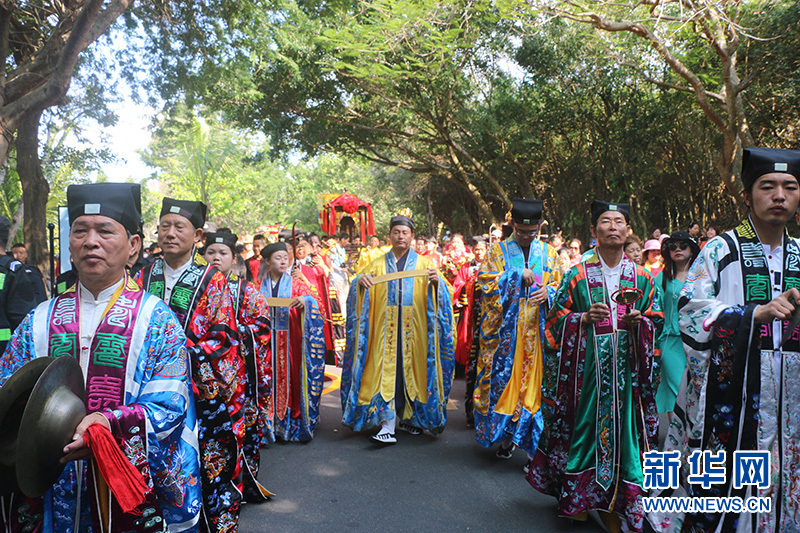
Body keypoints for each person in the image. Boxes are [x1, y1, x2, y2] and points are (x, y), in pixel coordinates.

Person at [1, 183, 201, 531]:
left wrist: (110, 426)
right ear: (70, 244)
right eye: (80, 231)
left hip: (122, 489)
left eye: (105, 230)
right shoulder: (40, 319)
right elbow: (8, 392)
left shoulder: (157, 321)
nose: (90, 241)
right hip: (48, 485)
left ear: (134, 245)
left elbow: (170, 404)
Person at [648, 148, 800, 532]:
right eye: (767, 186)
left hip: (792, 399)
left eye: (790, 187)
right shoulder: (720, 250)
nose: (779, 195)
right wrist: (753, 314)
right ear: (747, 196)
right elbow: (689, 308)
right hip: (731, 393)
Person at [528, 200, 662, 533]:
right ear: (593, 231)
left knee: (623, 436)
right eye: (605, 221)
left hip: (627, 376)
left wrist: (640, 322)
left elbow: (657, 320)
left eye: (619, 222)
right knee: (584, 429)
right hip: (586, 376)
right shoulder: (576, 273)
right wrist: (582, 318)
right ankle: (580, 498)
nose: (613, 227)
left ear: (628, 230)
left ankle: (616, 501)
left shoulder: (642, 277)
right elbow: (555, 321)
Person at [136, 198, 246, 533]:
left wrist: (184, 353)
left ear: (197, 234)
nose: (170, 234)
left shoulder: (211, 278)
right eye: (164, 226)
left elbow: (223, 336)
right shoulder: (143, 273)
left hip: (195, 387)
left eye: (179, 227)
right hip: (148, 386)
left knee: (193, 460)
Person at [341, 214, 455, 444]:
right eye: (396, 232)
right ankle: (387, 423)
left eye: (405, 233)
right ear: (389, 236)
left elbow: (446, 293)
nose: (400, 236)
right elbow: (358, 284)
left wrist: (437, 283)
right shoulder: (377, 264)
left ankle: (412, 419)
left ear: (412, 237)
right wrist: (360, 282)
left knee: (415, 372)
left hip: (416, 331)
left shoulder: (425, 264)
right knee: (387, 374)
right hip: (386, 332)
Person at [474, 199, 562, 466]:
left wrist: (551, 291)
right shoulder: (497, 251)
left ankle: (533, 447)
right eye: (521, 231)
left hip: (537, 331)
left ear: (540, 228)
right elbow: (485, 281)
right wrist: (513, 274)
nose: (526, 236)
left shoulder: (549, 253)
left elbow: (562, 282)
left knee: (536, 386)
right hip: (506, 335)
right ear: (511, 224)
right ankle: (505, 437)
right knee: (504, 384)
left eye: (532, 232)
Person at [204, 232, 274, 502]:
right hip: (205, 374)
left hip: (240, 377)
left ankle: (241, 484)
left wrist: (234, 333)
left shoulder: (245, 289)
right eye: (211, 253)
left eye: (223, 253)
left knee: (242, 429)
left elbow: (263, 326)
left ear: (234, 260)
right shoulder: (198, 289)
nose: (217, 258)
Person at [259, 241, 325, 441]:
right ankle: (267, 425)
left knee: (294, 381)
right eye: (277, 258)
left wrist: (306, 301)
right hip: (265, 343)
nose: (282, 262)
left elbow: (319, 303)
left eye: (285, 259)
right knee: (266, 382)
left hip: (291, 342)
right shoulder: (257, 286)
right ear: (268, 261)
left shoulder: (297, 284)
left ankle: (291, 424)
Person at [653, 231, 699, 417]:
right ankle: (676, 438)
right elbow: (653, 308)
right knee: (676, 386)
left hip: (697, 341)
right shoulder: (662, 278)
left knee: (693, 387)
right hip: (670, 340)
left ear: (692, 249)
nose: (678, 249)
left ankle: (690, 435)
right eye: (673, 247)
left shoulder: (702, 278)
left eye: (683, 246)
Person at [452, 237, 488, 426]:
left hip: (490, 325)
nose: (479, 253)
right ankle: (471, 412)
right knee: (472, 361)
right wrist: (464, 291)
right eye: (476, 249)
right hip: (470, 319)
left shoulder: (492, 268)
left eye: (482, 249)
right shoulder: (467, 268)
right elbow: (457, 287)